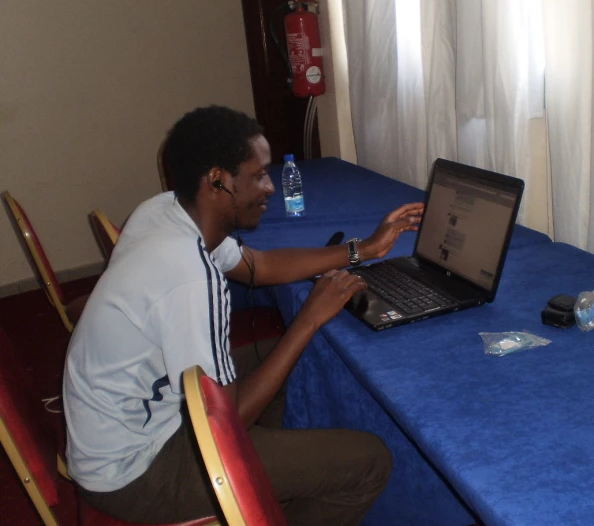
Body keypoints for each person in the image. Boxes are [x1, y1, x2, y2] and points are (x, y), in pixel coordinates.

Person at [63, 105, 424, 525]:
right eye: (258, 176)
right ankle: (265, 494)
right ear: (218, 181)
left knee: (290, 358)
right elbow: (226, 424)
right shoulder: (191, 278)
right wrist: (308, 318)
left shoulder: (163, 212)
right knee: (370, 462)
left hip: (132, 426)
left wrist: (365, 249)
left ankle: (276, 487)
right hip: (136, 473)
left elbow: (261, 267)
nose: (269, 188)